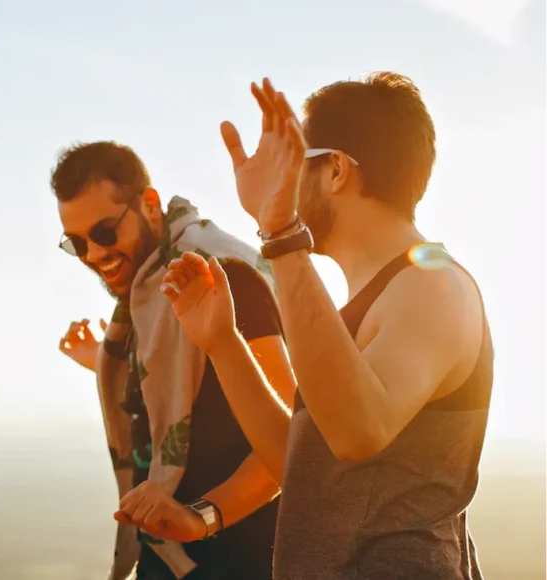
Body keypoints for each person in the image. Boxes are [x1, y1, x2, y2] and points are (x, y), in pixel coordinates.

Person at [157, 74, 493, 579]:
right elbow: (305, 468)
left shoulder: (431, 285)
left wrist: (279, 232)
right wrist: (224, 342)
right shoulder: (370, 300)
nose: (283, 186)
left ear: (335, 170)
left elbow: (358, 432)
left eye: (295, 166)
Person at [53, 141, 296, 579]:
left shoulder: (221, 275)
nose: (92, 254)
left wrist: (203, 518)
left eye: (105, 232)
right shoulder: (150, 293)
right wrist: (103, 362)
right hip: (169, 555)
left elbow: (291, 441)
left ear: (148, 205)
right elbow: (189, 385)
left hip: (236, 557)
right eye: (76, 242)